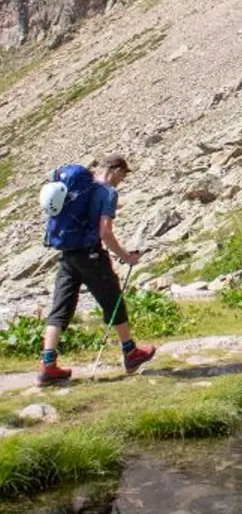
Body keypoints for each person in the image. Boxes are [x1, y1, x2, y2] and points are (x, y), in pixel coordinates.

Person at [38, 155, 156, 386]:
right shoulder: (107, 193)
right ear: (115, 170)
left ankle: (48, 365)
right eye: (123, 175)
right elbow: (105, 232)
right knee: (114, 302)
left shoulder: (78, 188)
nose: (122, 180)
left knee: (60, 309)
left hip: (68, 256)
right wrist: (126, 257)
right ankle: (130, 354)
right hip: (91, 255)